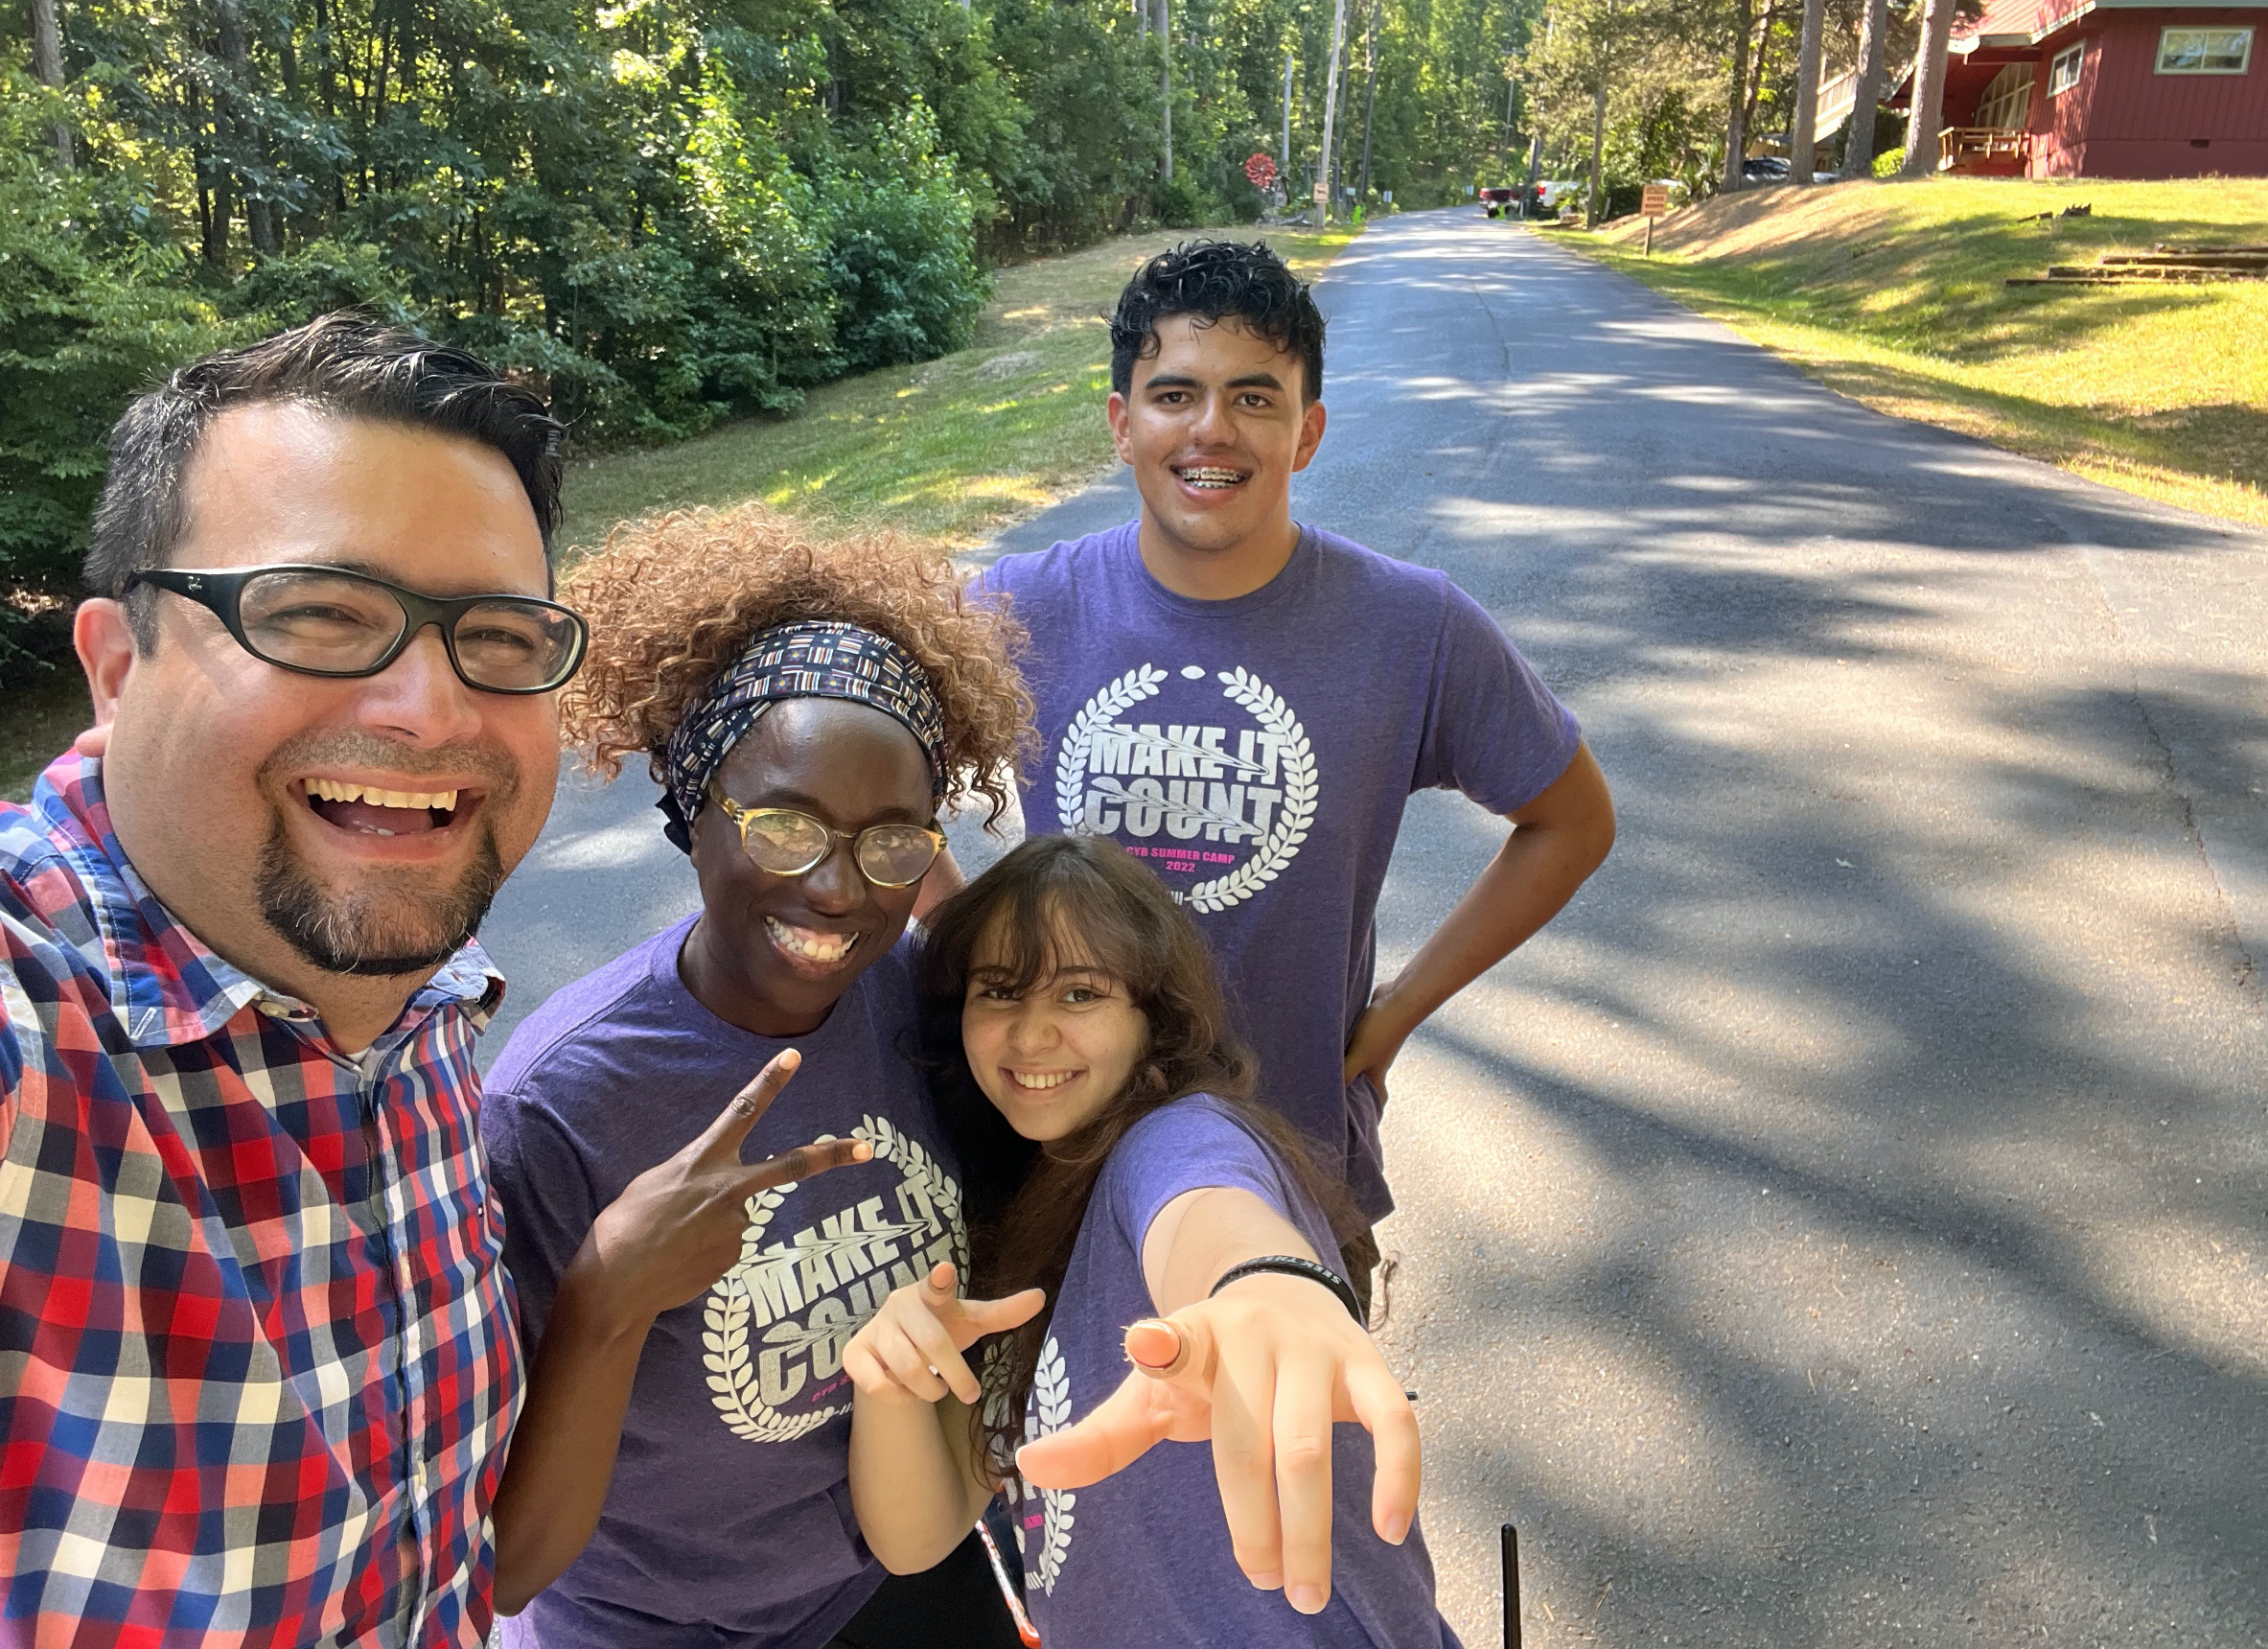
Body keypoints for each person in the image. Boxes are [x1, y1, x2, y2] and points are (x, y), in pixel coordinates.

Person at [0, 315, 856, 1645]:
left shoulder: (426, 998)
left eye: (502, 640)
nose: (430, 710)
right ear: (118, 668)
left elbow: (456, 1574)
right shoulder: (35, 1022)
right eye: (323, 615)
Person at [480, 507, 1426, 1646]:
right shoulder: (559, 1103)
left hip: (899, 1568)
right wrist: (608, 1295)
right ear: (693, 806)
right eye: (783, 827)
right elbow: (505, 1561)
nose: (838, 887)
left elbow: (1160, 1150)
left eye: (893, 840)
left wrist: (1257, 1273)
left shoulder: (919, 996)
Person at [972, 240, 1617, 1312]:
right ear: (1120, 423)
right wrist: (953, 947)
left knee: (1295, 1464)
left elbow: (1571, 820)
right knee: (1051, 1478)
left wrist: (1399, 1007)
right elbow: (856, 770)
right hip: (1055, 1171)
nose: (1210, 430)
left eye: (1253, 399)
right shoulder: (1016, 611)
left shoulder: (1411, 626)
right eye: (1173, 393)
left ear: (1306, 432)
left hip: (1291, 1176)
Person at [845, 834, 1443, 1643]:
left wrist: (1261, 1283)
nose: (1030, 1035)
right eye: (1000, 993)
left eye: (1080, 995)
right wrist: (889, 1386)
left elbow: (1207, 1206)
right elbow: (920, 1537)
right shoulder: (1017, 1218)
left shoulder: (1174, 1138)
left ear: (1153, 1017)